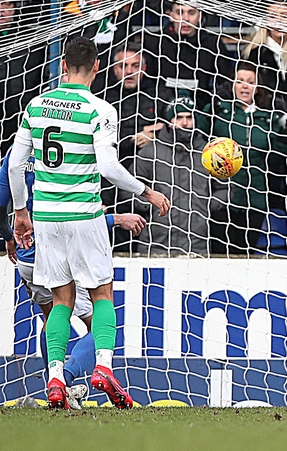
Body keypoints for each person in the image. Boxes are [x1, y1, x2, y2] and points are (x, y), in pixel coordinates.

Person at [7, 37, 170, 409]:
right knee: (102, 295)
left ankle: (55, 378)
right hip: (85, 215)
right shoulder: (100, 110)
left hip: (45, 218)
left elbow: (15, 165)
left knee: (61, 299)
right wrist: (147, 193)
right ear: (96, 68)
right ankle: (103, 368)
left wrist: (20, 212)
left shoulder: (36, 106)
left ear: (63, 65)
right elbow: (109, 167)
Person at [0, 144, 147, 409]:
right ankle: (69, 378)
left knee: (52, 320)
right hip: (61, 250)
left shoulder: (17, 152)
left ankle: (56, 387)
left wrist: (9, 236)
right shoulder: (72, 146)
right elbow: (74, 219)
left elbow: (1, 199)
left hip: (27, 257)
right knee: (99, 324)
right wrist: (117, 218)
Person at [197, 62, 287, 254]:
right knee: (219, 251)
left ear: (257, 87)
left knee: (245, 252)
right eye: (240, 81)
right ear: (232, 85)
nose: (245, 86)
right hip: (221, 196)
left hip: (255, 197)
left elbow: (278, 157)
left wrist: (280, 134)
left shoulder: (268, 118)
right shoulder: (219, 111)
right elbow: (198, 135)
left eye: (250, 81)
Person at [135, 94, 225, 256]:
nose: (184, 122)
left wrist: (207, 207)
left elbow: (224, 188)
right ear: (170, 121)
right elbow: (129, 188)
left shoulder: (209, 153)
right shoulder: (150, 152)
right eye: (179, 117)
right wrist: (152, 207)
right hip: (155, 242)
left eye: (189, 117)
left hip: (197, 242)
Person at [103, 41, 160, 253]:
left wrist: (161, 130)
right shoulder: (104, 100)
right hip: (109, 183)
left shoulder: (156, 95)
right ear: (115, 70)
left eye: (135, 66)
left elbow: (174, 125)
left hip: (148, 180)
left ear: (143, 68)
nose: (129, 71)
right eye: (123, 66)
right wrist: (133, 140)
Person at [141, 1, 232, 108]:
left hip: (201, 108)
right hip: (159, 106)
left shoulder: (212, 44)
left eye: (191, 13)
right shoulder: (153, 42)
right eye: (180, 12)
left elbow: (226, 81)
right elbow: (146, 81)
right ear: (171, 15)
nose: (186, 19)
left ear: (200, 16)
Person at [0, 0, 47, 155]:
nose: (2, 10)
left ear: (14, 8)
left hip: (19, 114)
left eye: (6, 5)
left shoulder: (31, 39)